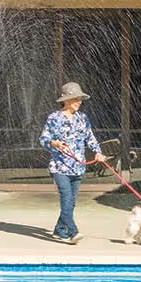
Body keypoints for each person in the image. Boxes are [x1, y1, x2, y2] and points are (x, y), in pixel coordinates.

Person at [39, 81, 107, 244]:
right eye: (76, 99)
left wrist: (98, 152)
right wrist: (53, 143)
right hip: (60, 167)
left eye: (80, 99)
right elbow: (43, 139)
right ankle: (73, 232)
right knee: (67, 199)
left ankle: (59, 229)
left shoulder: (83, 118)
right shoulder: (54, 118)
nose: (79, 102)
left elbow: (90, 138)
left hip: (78, 167)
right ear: (66, 100)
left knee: (71, 202)